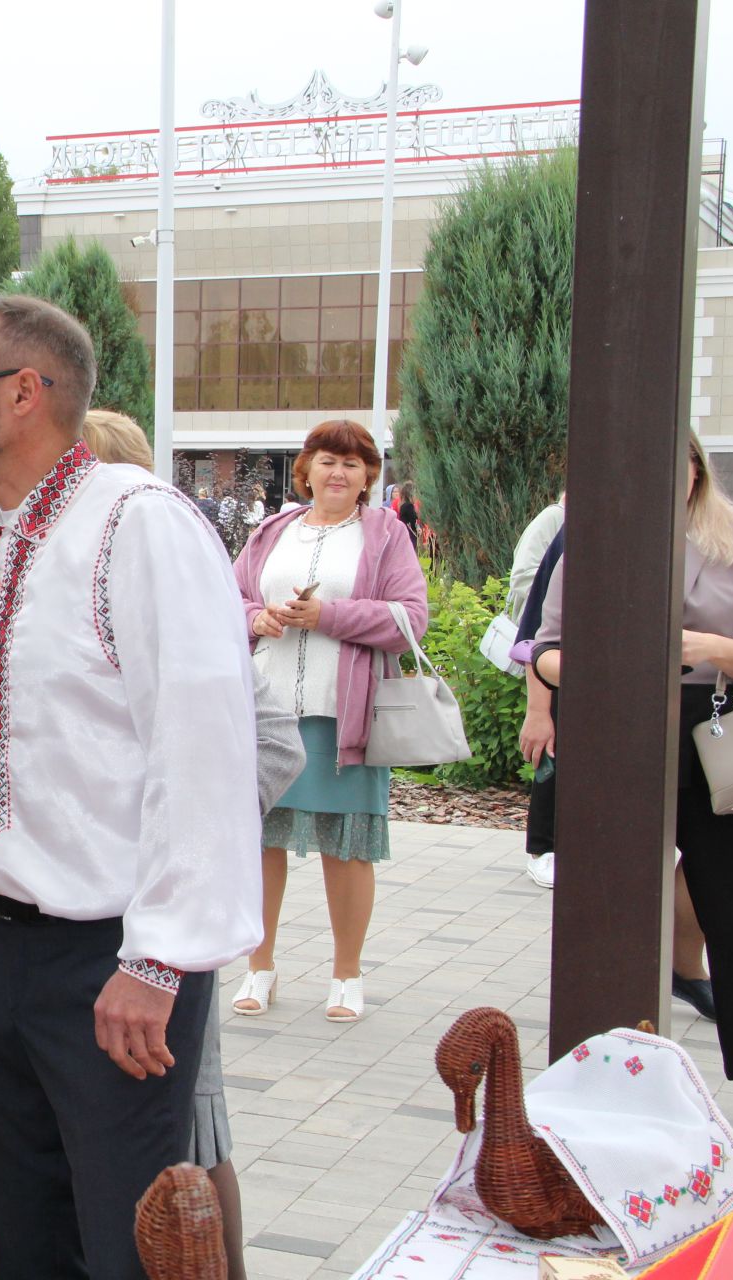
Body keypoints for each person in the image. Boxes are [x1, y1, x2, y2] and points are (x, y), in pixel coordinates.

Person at [0, 292, 261, 1279]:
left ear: (25, 393)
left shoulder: (140, 525)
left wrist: (159, 958)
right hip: (3, 944)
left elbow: (201, 751)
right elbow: (59, 725)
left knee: (126, 1244)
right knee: (30, 1239)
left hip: (111, 960)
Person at [79, 408, 301, 1280]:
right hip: (67, 926)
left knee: (193, 1142)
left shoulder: (175, 586)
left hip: (163, 919)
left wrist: (184, 824)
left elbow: (276, 744)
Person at [534, 431, 733, 1131]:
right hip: (618, 737)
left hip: (710, 735)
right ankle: (602, 1073)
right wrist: (594, 662)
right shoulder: (591, 535)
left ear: (696, 471)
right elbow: (544, 649)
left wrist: (713, 648)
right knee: (604, 914)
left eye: (674, 463)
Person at [230, 420, 428, 1023]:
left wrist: (328, 615)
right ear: (306, 470)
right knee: (258, 842)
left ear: (369, 475)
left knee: (347, 846)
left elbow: (410, 618)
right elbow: (224, 599)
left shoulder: (386, 533)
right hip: (264, 715)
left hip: (342, 716)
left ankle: (346, 974)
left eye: (352, 462)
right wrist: (256, 618)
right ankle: (257, 967)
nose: (338, 472)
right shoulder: (271, 531)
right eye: (326, 461)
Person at [508, 491, 566, 889]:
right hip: (558, 656)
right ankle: (545, 846)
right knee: (554, 749)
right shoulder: (558, 521)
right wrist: (537, 708)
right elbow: (530, 583)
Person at [397, 481, 422, 550]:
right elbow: (413, 521)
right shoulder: (409, 506)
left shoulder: (403, 506)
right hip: (409, 535)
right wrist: (418, 529)